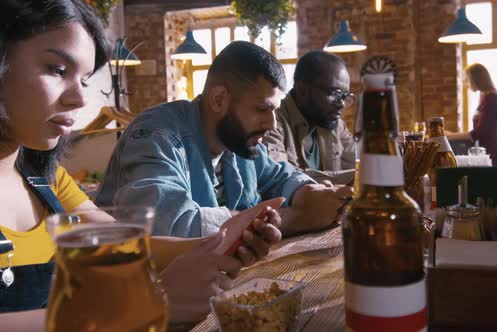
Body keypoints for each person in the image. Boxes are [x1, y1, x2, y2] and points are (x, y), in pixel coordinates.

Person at [0, 0, 280, 326]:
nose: (79, 99)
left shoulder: (48, 180)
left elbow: (127, 246)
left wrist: (222, 240)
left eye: (85, 80)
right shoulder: (159, 131)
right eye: (57, 70)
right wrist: (148, 303)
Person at [95, 41, 353, 237]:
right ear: (219, 99)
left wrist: (310, 193)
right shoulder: (155, 134)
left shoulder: (239, 141)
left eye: (274, 110)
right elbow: (168, 226)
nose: (271, 123)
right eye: (261, 109)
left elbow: (280, 175)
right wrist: (295, 219)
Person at [264, 51, 356, 178]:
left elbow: (363, 166)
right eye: (334, 93)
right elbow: (280, 179)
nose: (341, 104)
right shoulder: (271, 121)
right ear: (303, 90)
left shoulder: (335, 124)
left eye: (344, 96)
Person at [449, 63, 497, 167]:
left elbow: (479, 133)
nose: (465, 82)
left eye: (467, 79)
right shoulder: (484, 95)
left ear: (476, 78)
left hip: (493, 157)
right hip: (486, 154)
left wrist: (451, 136)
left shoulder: (492, 98)